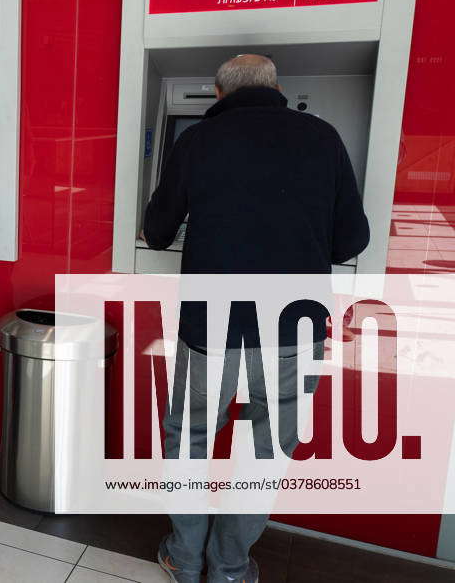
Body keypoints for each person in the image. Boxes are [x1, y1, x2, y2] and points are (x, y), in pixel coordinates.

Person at [142, 54, 369, 583]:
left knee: (190, 437)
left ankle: (184, 554)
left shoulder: (196, 141)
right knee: (268, 446)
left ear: (218, 95)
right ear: (279, 90)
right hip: (296, 327)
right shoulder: (324, 137)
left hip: (211, 327)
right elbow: (351, 240)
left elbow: (156, 231)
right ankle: (229, 567)